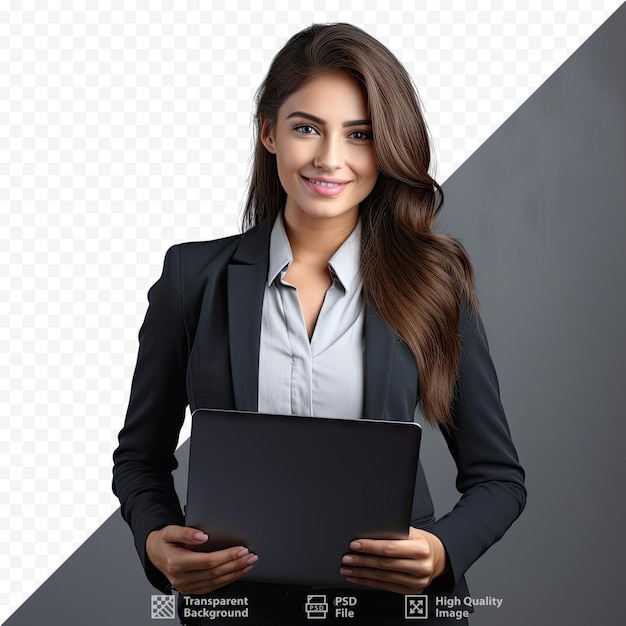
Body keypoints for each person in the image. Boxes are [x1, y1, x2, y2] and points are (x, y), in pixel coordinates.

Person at [112, 23, 526, 625]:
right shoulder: (191, 277)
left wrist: (440, 552)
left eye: (360, 135)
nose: (331, 159)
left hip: (394, 612)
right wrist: (157, 541)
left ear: (386, 147)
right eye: (307, 127)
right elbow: (141, 460)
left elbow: (499, 479)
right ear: (269, 132)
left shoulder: (432, 285)